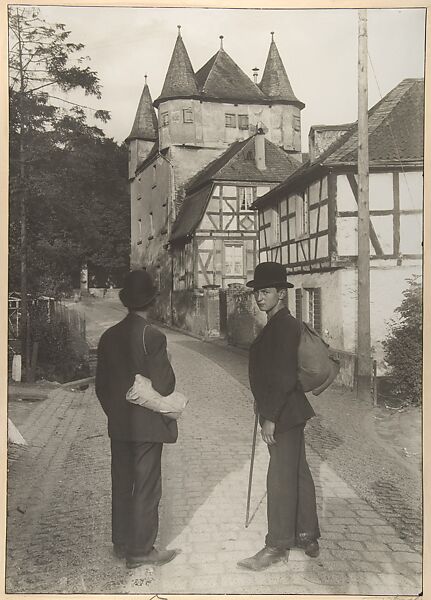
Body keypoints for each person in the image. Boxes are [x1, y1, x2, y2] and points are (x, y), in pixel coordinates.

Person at [238, 262, 320, 571]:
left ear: (280, 295)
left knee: (279, 478)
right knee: (297, 472)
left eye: (266, 292)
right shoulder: (277, 323)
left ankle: (276, 545)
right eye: (257, 292)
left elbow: (285, 375)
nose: (260, 297)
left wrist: (269, 416)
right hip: (288, 410)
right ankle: (307, 535)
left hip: (283, 413)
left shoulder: (283, 326)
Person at [95, 269, 179, 569]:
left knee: (122, 482)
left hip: (119, 426)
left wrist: (116, 413)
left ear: (126, 301)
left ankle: (121, 542)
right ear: (151, 302)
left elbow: (101, 387)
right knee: (145, 486)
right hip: (147, 427)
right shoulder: (152, 336)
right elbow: (166, 385)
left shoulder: (108, 336)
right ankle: (142, 550)